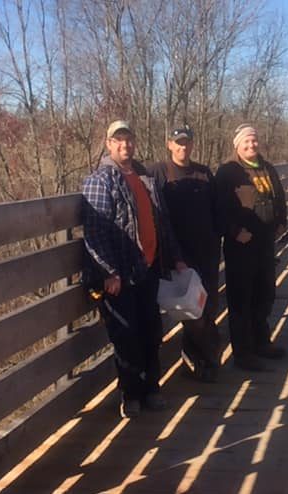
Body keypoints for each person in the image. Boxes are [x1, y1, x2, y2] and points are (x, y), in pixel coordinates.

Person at [82, 120, 185, 418]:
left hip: (149, 268)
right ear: (108, 144)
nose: (125, 145)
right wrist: (107, 272)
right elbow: (95, 231)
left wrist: (175, 257)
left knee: (152, 332)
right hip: (121, 275)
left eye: (129, 139)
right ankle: (131, 394)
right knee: (126, 336)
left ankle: (152, 388)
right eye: (118, 140)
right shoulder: (101, 180)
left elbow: (161, 223)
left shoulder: (144, 176)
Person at [150, 125, 221, 382]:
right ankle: (204, 360)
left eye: (187, 142)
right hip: (176, 256)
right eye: (178, 143)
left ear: (192, 144)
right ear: (169, 144)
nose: (183, 147)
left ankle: (200, 362)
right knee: (190, 313)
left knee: (207, 306)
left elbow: (217, 209)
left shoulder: (203, 173)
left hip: (207, 253)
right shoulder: (158, 172)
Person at [215, 124, 288, 371]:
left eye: (254, 141)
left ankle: (262, 343)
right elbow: (219, 208)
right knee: (241, 299)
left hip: (265, 242)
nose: (251, 145)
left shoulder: (267, 168)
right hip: (241, 245)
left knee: (264, 294)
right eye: (246, 142)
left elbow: (279, 197)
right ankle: (243, 353)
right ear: (237, 145)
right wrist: (235, 231)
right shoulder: (228, 172)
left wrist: (281, 222)